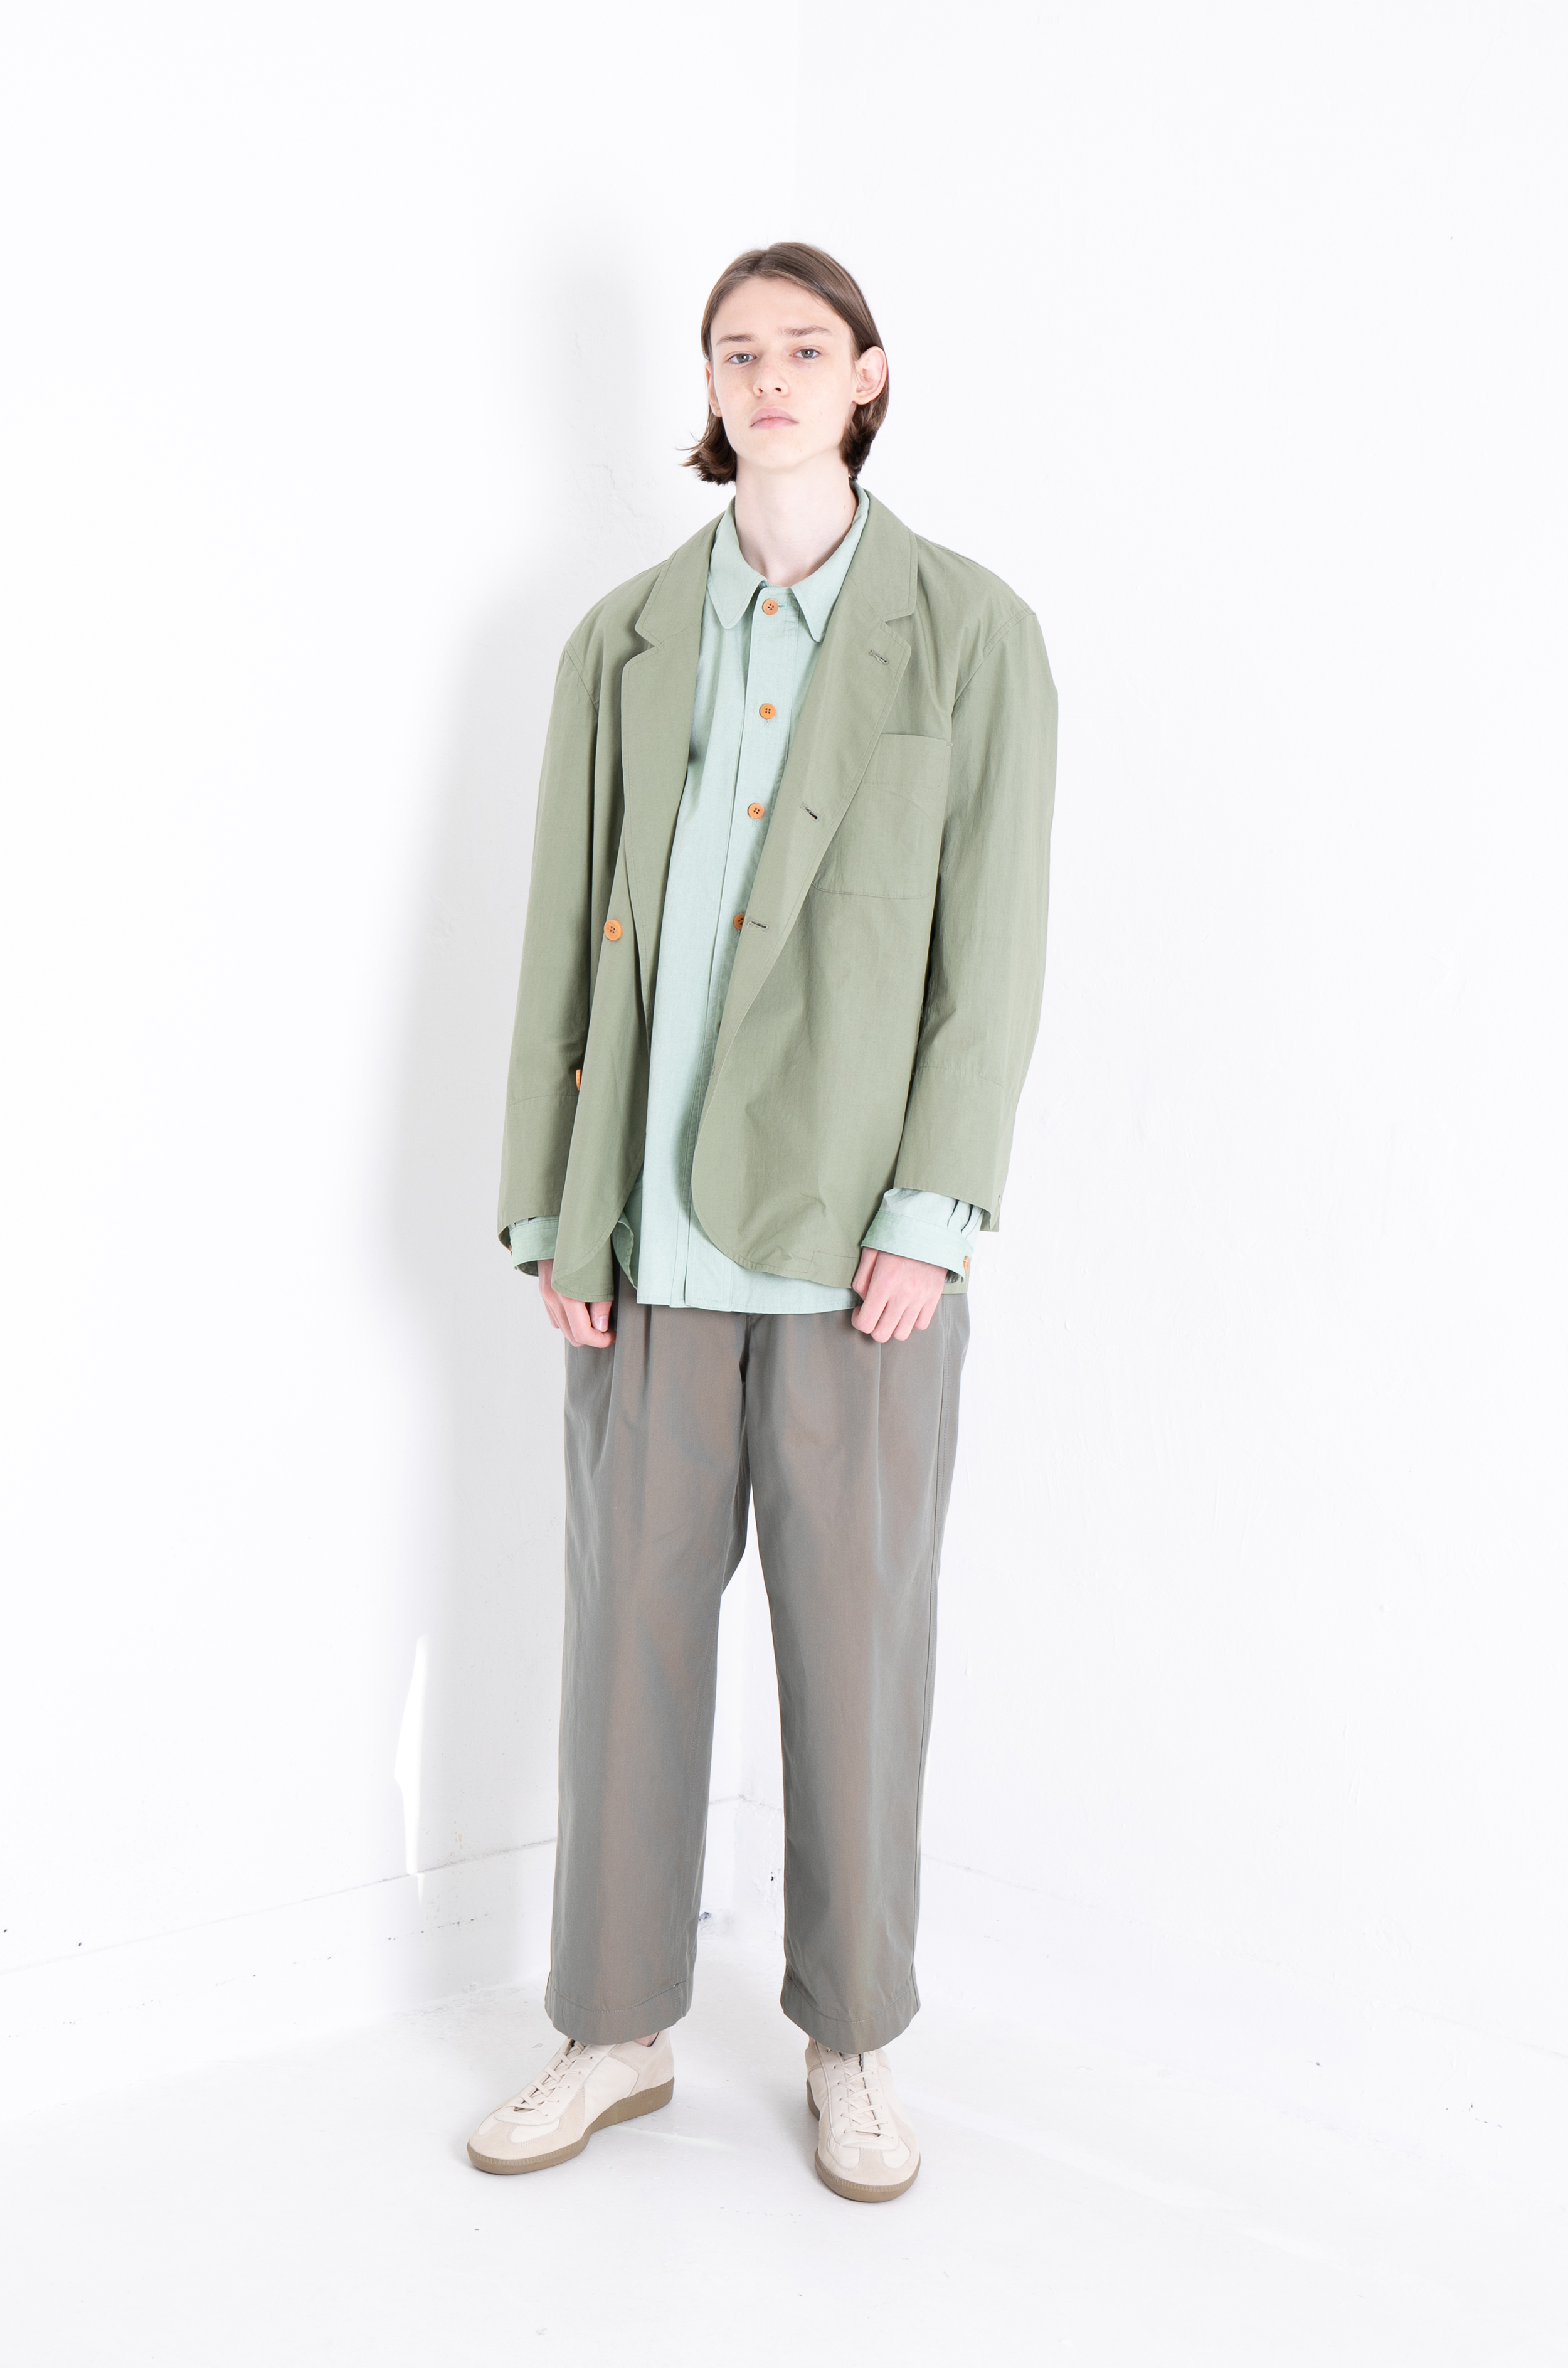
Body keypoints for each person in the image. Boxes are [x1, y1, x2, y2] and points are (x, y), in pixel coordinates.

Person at [467, 243, 1056, 2202]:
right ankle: (612, 2027)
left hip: (851, 1250)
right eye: (739, 350)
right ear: (710, 388)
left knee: (857, 1654)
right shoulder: (626, 640)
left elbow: (991, 955)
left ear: (867, 376)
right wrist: (551, 1211)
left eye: (806, 347)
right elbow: (557, 937)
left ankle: (850, 2041)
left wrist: (933, 1212)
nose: (771, 375)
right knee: (622, 1646)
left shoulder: (970, 633)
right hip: (641, 1244)